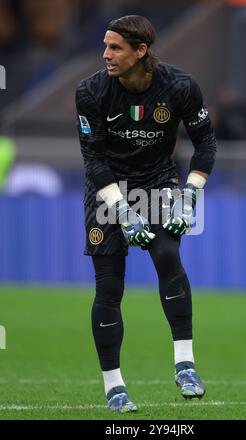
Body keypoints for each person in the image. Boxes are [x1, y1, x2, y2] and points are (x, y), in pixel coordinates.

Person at [76, 15, 217, 413]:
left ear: (141, 51)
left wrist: (189, 195)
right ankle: (114, 387)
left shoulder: (179, 86)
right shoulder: (90, 92)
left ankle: (185, 365)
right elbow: (95, 160)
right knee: (109, 287)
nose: (106, 55)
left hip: (157, 184)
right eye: (105, 46)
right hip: (106, 191)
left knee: (169, 257)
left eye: (115, 47)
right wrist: (121, 210)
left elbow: (206, 143)